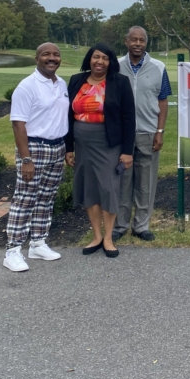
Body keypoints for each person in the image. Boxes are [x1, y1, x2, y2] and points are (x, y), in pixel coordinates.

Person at [65, 43, 136, 258]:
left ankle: (108, 238)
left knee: (109, 188)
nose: (100, 61)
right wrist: (69, 148)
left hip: (109, 145)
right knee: (90, 189)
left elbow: (129, 118)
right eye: (96, 57)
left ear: (110, 62)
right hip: (82, 145)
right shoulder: (76, 80)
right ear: (89, 58)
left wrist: (127, 151)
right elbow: (67, 115)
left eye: (105, 58)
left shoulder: (120, 82)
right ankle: (96, 236)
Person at [4, 43, 69, 273]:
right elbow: (18, 124)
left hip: (57, 147)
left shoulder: (61, 84)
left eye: (56, 55)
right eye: (46, 54)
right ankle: (13, 250)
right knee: (25, 198)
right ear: (37, 58)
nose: (52, 58)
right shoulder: (27, 86)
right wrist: (26, 159)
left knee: (46, 198)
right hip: (34, 148)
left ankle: (38, 243)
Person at [113, 26, 172, 242]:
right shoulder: (116, 66)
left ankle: (141, 225)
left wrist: (160, 131)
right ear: (126, 41)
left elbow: (163, 101)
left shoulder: (158, 67)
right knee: (122, 181)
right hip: (122, 135)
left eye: (142, 40)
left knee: (146, 182)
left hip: (149, 132)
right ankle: (120, 225)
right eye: (134, 39)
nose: (138, 43)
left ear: (146, 43)